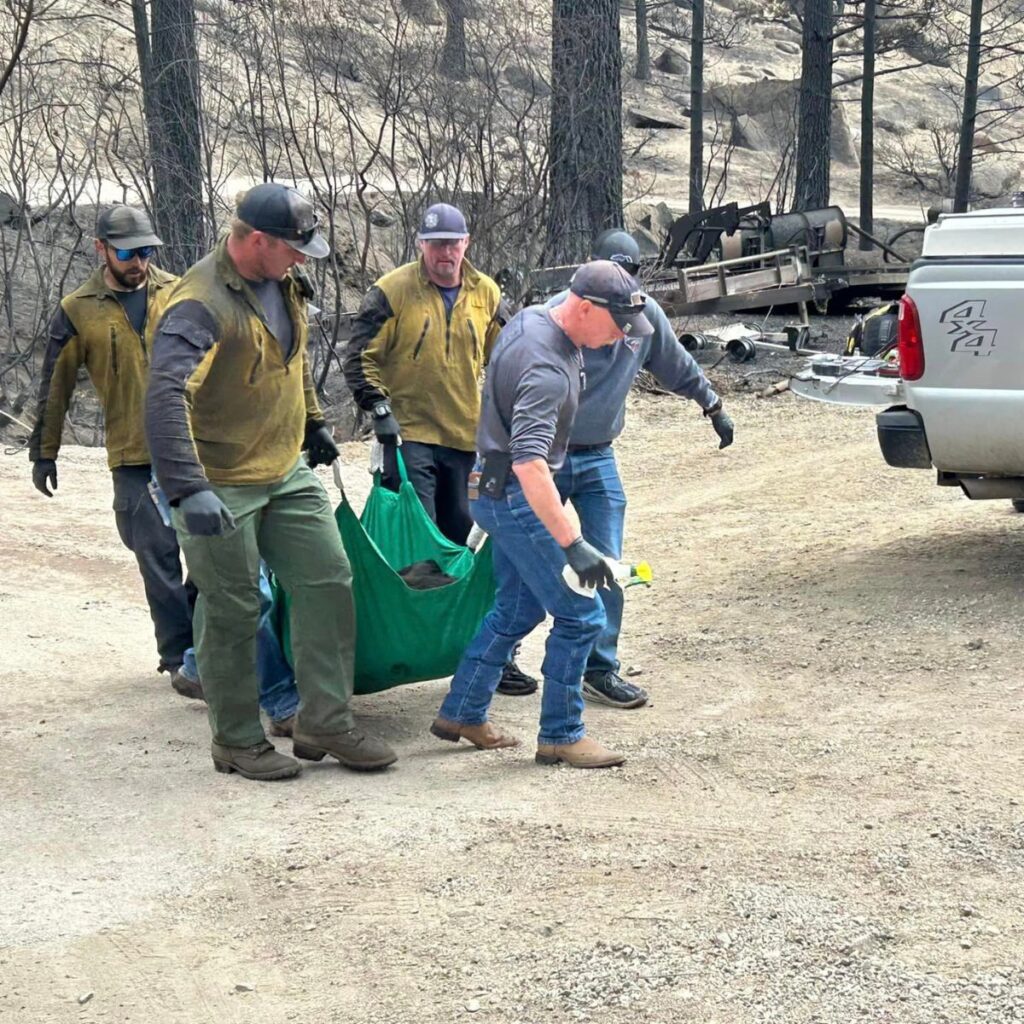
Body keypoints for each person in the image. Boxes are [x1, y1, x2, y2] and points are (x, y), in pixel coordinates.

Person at [145, 182, 396, 781]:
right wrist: (187, 486)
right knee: (234, 606)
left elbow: (292, 359)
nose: (303, 257)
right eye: (294, 246)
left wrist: (312, 422)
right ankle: (235, 739)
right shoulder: (199, 303)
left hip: (284, 470)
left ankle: (324, 721)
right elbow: (162, 396)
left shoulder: (285, 281)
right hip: (221, 478)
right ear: (255, 240)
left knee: (329, 578)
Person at [431, 260, 655, 769]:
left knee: (516, 609)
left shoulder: (534, 318)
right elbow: (530, 464)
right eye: (617, 324)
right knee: (581, 615)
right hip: (515, 495)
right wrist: (574, 546)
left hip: (490, 488)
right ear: (584, 307)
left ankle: (462, 711)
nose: (622, 338)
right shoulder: (546, 367)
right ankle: (562, 734)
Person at [343, 201, 539, 697]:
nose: (445, 254)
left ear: (466, 244)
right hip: (407, 437)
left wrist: (517, 416)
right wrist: (377, 407)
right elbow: (358, 353)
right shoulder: (392, 291)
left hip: (464, 438)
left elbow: (509, 357)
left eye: (453, 243)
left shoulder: (486, 293)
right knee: (419, 546)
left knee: (468, 547)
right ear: (421, 247)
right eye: (435, 245)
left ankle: (491, 655)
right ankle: (412, 647)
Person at [544, 229, 735, 709]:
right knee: (520, 557)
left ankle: (600, 668)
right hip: (544, 456)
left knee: (608, 562)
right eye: (611, 274)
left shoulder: (644, 316)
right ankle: (500, 656)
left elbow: (676, 364)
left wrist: (712, 405)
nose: (620, 287)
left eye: (627, 275)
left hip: (598, 453)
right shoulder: (560, 315)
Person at [28, 205, 198, 697]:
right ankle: (177, 659)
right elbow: (54, 384)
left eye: (146, 252)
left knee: (213, 555)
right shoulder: (78, 307)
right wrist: (45, 452)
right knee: (157, 559)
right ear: (101, 248)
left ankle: (199, 647)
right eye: (128, 252)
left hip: (193, 446)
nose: (139, 262)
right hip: (133, 454)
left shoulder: (180, 291)